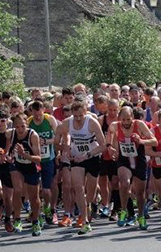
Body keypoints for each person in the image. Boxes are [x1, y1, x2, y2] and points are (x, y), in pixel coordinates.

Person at [59, 101, 106, 235]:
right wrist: (67, 147)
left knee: (90, 193)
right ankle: (84, 221)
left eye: (81, 116)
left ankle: (89, 205)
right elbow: (64, 135)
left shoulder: (91, 123)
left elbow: (103, 145)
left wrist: (87, 155)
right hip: (76, 158)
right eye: (76, 116)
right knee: (78, 187)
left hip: (92, 157)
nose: (78, 119)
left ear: (85, 113)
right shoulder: (67, 122)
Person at [107, 107, 157, 230]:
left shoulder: (139, 125)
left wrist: (141, 140)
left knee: (140, 193)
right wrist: (110, 147)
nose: (126, 122)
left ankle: (140, 216)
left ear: (132, 117)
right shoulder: (114, 126)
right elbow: (108, 139)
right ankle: (124, 211)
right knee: (124, 183)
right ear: (119, 118)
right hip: (124, 160)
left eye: (128, 119)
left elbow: (154, 141)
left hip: (139, 160)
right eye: (123, 119)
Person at [4, 113, 42, 236]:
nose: (20, 130)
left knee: (34, 198)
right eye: (17, 127)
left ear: (27, 124)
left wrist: (24, 154)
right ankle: (17, 219)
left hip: (31, 165)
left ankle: (35, 221)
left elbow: (38, 159)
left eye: (22, 126)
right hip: (17, 165)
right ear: (14, 126)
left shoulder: (33, 135)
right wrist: (6, 156)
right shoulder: (11, 133)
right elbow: (7, 150)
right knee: (18, 189)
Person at [28, 100, 59, 225]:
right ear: (32, 112)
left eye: (39, 113)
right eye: (35, 113)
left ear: (43, 110)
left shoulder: (50, 120)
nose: (37, 116)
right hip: (34, 160)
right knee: (34, 190)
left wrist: (45, 141)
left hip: (48, 159)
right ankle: (36, 211)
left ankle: (48, 208)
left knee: (46, 190)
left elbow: (57, 138)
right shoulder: (29, 122)